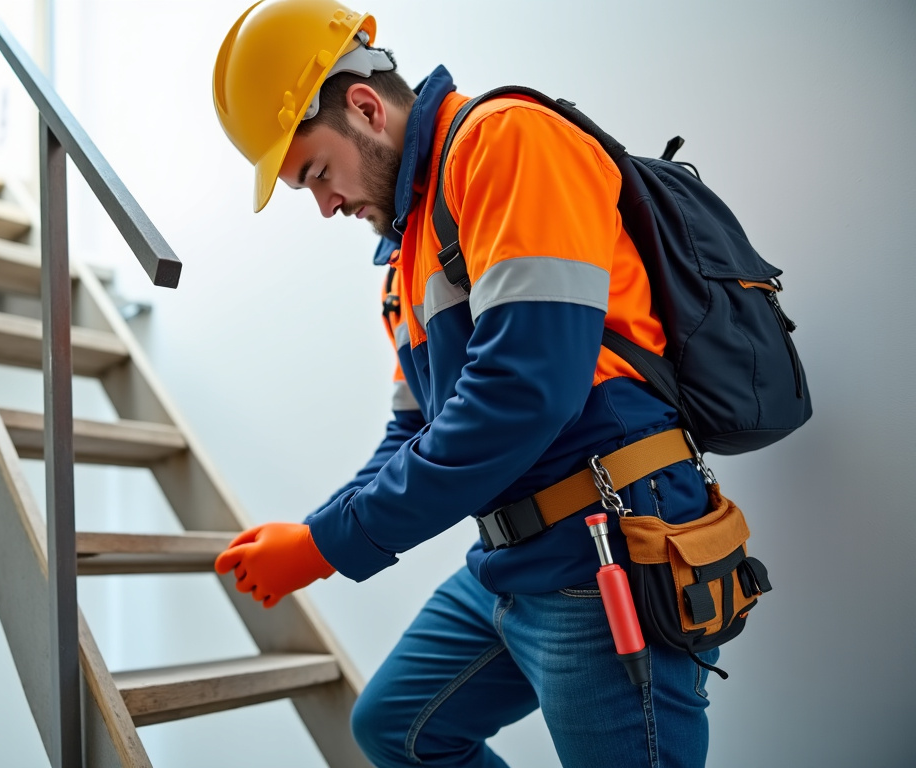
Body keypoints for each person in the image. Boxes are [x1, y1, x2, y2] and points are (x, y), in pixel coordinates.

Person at [210, 2, 721, 767]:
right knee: (397, 730)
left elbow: (521, 395)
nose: (325, 206)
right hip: (510, 563)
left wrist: (325, 547)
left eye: (317, 173)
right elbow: (412, 433)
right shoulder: (408, 254)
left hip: (604, 550)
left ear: (363, 105)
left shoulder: (505, 143)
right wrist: (316, 528)